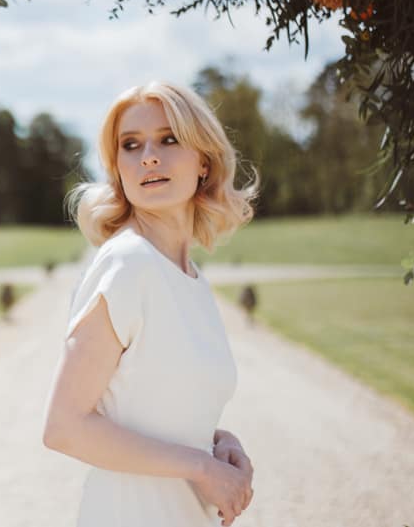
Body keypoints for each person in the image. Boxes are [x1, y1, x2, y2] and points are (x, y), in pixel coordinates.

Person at [42, 81, 259, 526]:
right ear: (118, 169)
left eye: (168, 139)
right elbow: (64, 427)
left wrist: (218, 443)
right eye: (131, 145)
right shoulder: (127, 264)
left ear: (204, 161)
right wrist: (200, 467)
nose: (149, 157)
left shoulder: (191, 279)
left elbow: (159, 412)